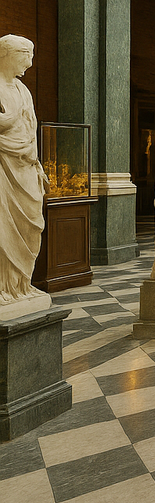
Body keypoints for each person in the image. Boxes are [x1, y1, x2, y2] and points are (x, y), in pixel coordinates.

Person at [0, 34, 49, 306]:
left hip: (26, 166)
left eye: (31, 55)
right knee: (3, 227)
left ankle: (22, 284)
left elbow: (31, 129)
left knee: (32, 224)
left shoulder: (23, 90)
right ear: (5, 54)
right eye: (24, 55)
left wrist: (38, 164)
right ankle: (4, 288)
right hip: (3, 167)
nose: (29, 63)